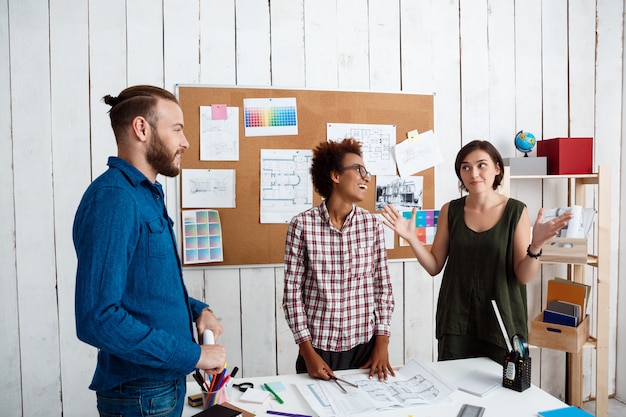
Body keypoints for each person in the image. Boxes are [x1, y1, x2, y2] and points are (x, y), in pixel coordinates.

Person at [73, 85, 226, 417]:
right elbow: (97, 318)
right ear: (142, 128)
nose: (185, 142)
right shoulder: (114, 199)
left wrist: (198, 310)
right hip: (141, 395)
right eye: (177, 129)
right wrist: (194, 356)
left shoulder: (145, 194)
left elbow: (147, 288)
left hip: (160, 389)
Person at [381, 140, 574, 364]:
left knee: (504, 389)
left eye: (481, 165)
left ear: (497, 169)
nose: (474, 173)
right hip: (456, 321)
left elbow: (524, 276)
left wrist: (536, 246)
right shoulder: (450, 210)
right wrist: (412, 238)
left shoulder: (516, 211)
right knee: (455, 388)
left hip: (502, 321)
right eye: (465, 167)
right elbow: (434, 266)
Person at [282, 138, 396, 382]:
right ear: (335, 175)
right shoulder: (302, 225)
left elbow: (383, 287)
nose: (366, 177)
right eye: (359, 170)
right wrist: (307, 352)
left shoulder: (372, 224)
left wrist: (382, 343)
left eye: (367, 171)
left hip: (366, 347)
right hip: (318, 349)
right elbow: (292, 294)